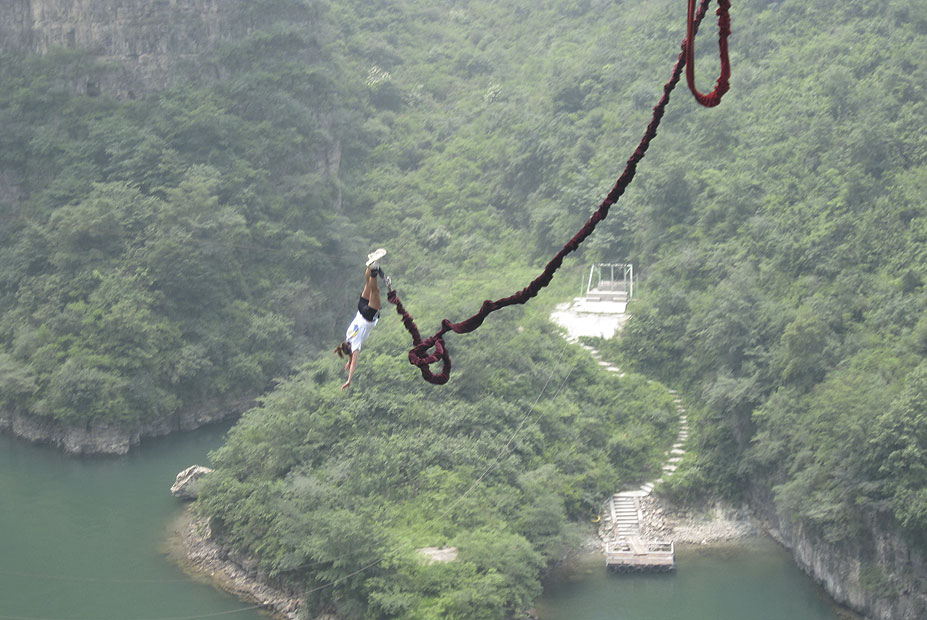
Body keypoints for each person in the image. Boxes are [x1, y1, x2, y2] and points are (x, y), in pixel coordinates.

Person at [335, 249, 387, 390]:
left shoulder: (356, 344)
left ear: (350, 349)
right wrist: (349, 360)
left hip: (369, 315)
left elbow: (354, 362)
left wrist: (349, 379)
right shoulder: (348, 335)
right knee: (367, 285)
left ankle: (374, 271)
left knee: (375, 290)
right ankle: (370, 265)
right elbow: (351, 356)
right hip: (361, 307)